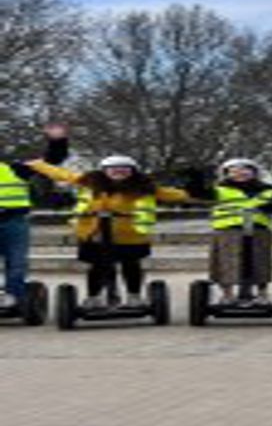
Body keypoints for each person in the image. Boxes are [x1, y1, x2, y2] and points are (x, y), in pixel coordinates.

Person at [27, 155, 193, 308]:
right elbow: (63, 175)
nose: (118, 172)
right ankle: (93, 297)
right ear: (104, 171)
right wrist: (38, 165)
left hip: (130, 235)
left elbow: (172, 195)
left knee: (131, 265)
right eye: (113, 169)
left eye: (124, 169)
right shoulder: (90, 183)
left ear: (133, 171)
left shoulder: (143, 187)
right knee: (97, 266)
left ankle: (134, 296)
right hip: (95, 234)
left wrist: (192, 195)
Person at [187, 158, 272, 305]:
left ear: (255, 173)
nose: (240, 173)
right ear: (226, 174)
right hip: (227, 230)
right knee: (226, 262)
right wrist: (195, 178)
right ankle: (227, 294)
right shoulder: (219, 190)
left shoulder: (270, 190)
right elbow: (198, 193)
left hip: (258, 230)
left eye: (245, 170)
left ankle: (262, 294)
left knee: (260, 262)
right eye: (234, 171)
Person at [0, 124, 69, 307]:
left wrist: (57, 141)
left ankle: (12, 296)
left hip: (12, 222)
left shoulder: (14, 169)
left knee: (16, 263)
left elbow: (50, 161)